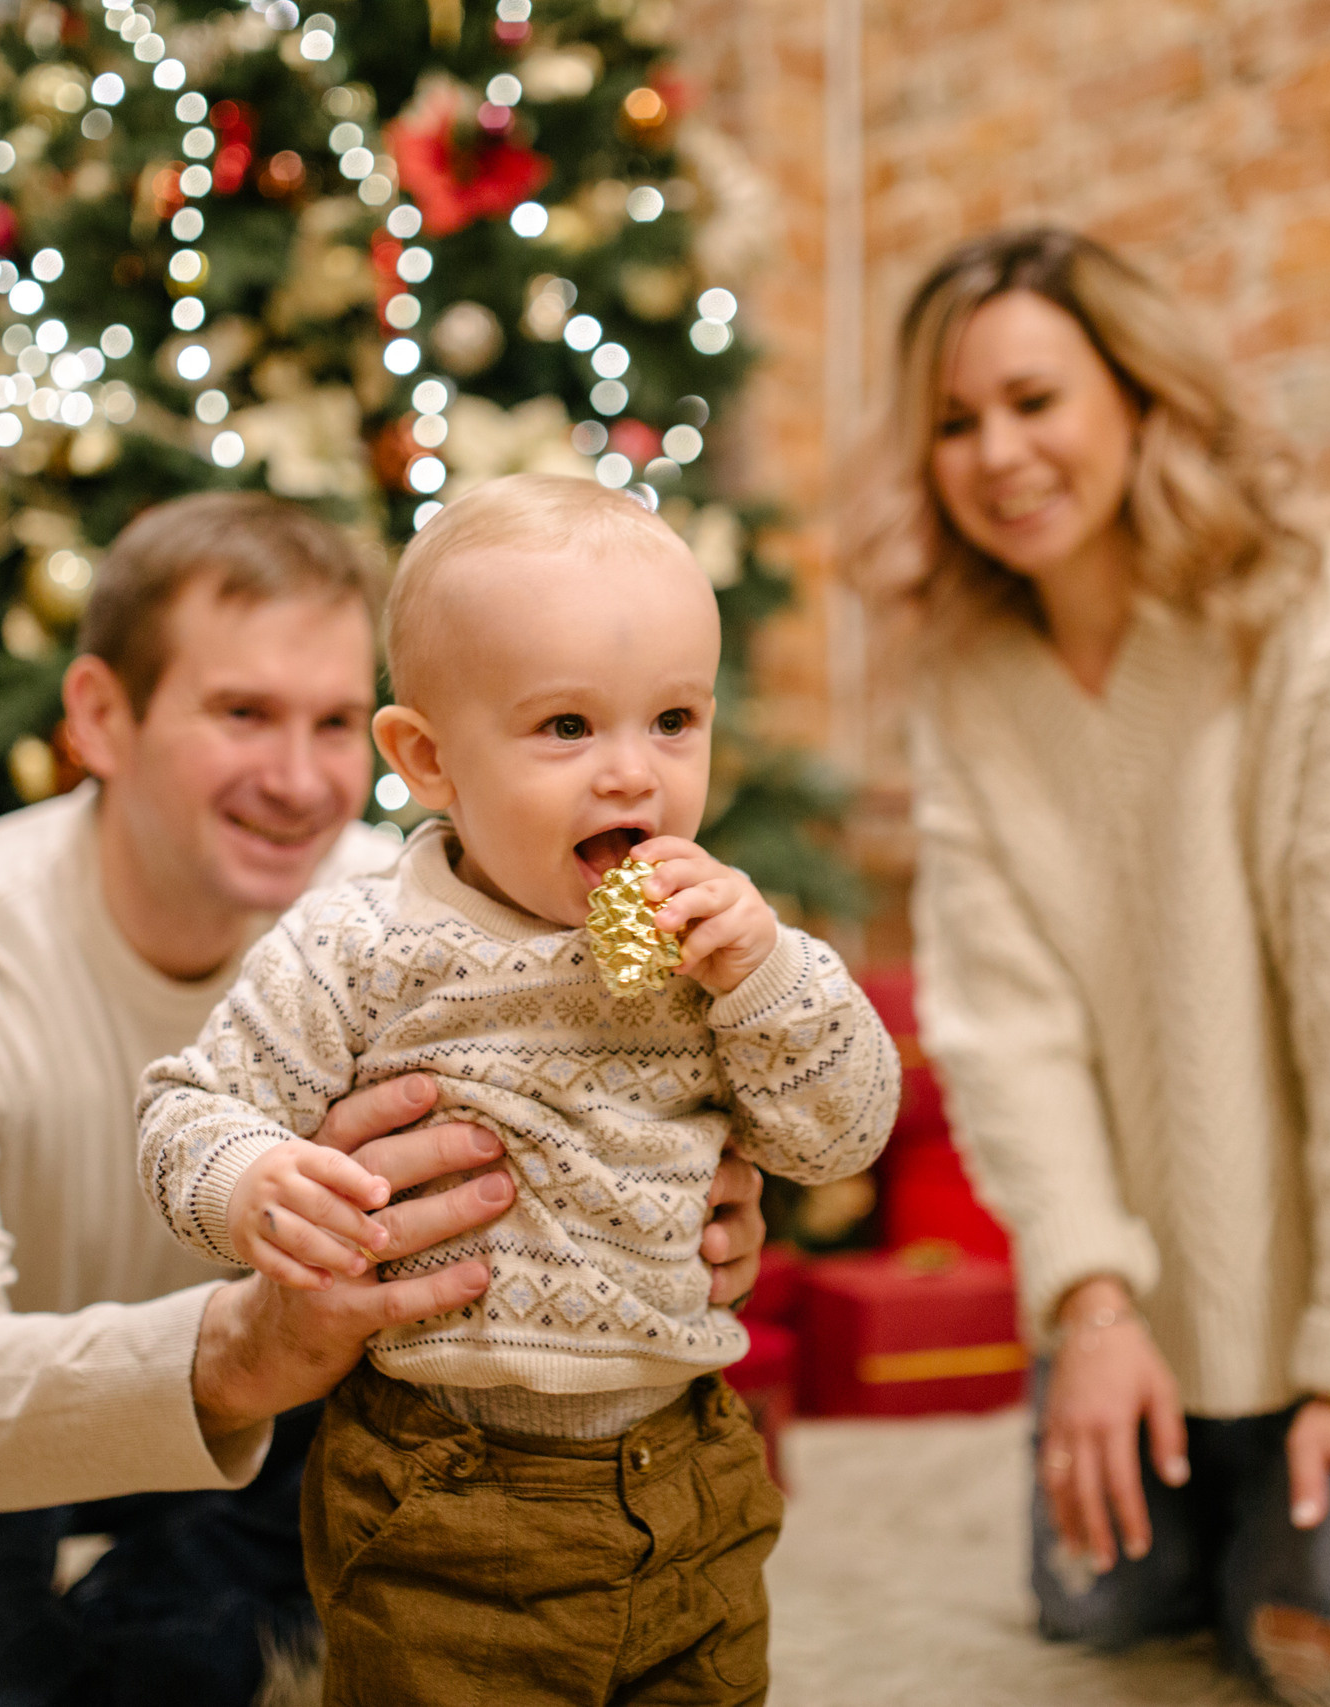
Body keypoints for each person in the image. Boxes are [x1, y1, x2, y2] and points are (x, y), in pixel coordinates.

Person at [0, 491, 770, 1707]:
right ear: (100, 718)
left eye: (332, 723)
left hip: (277, 1402)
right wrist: (247, 1350)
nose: (300, 781)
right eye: (243, 714)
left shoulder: (414, 921)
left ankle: (181, 1604)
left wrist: (680, 1206)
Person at [136, 473, 901, 1707]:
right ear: (427, 758)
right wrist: (254, 1183)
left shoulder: (729, 953)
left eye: (673, 720)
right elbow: (185, 1111)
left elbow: (840, 1138)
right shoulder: (358, 946)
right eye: (566, 727)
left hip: (685, 1462)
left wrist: (764, 980)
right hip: (447, 1488)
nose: (633, 776)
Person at [865, 227, 1330, 1699]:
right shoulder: (963, 682)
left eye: (1035, 400)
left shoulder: (1323, 623)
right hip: (1134, 1293)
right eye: (954, 422)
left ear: (1141, 397)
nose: (998, 455)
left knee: (1309, 1656)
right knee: (1098, 1623)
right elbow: (1005, 1029)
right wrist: (1090, 1305)